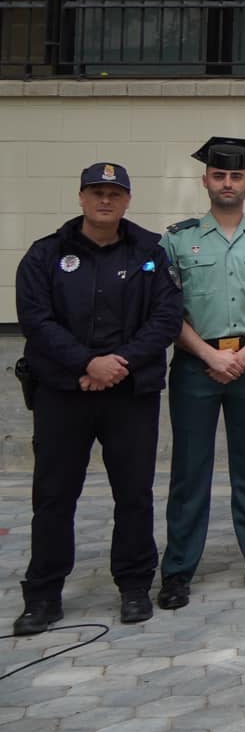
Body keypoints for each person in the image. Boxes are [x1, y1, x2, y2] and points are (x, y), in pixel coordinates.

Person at [12, 163, 183, 634]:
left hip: (130, 395)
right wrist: (87, 364)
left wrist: (116, 364)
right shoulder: (46, 254)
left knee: (133, 495)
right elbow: (35, 320)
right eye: (96, 192)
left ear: (127, 200)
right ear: (81, 197)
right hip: (63, 394)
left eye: (114, 193)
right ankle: (43, 595)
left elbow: (166, 319)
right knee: (53, 496)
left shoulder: (150, 253)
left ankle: (133, 587)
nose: (104, 200)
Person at [158, 138, 245, 609]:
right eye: (219, 175)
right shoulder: (176, 239)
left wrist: (243, 356)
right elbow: (165, 310)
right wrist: (211, 357)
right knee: (189, 472)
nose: (227, 183)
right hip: (196, 366)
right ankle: (176, 571)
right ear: (206, 180)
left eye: (236, 176)